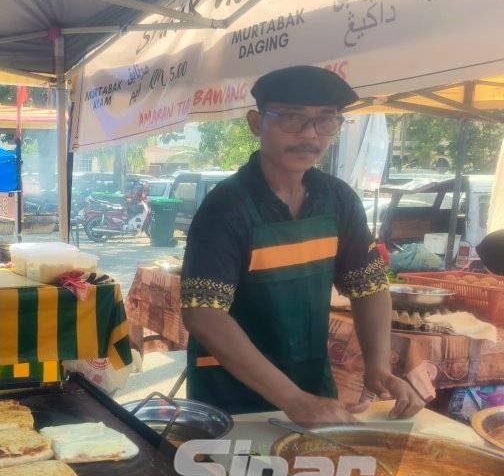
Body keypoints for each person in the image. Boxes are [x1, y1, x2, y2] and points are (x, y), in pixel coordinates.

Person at [180, 65, 426, 425]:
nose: (310, 134)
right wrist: (291, 399)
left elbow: (369, 286)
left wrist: (378, 366)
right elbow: (203, 314)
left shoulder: (338, 199)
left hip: (310, 380)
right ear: (255, 122)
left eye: (326, 121)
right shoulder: (227, 206)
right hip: (231, 394)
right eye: (292, 119)